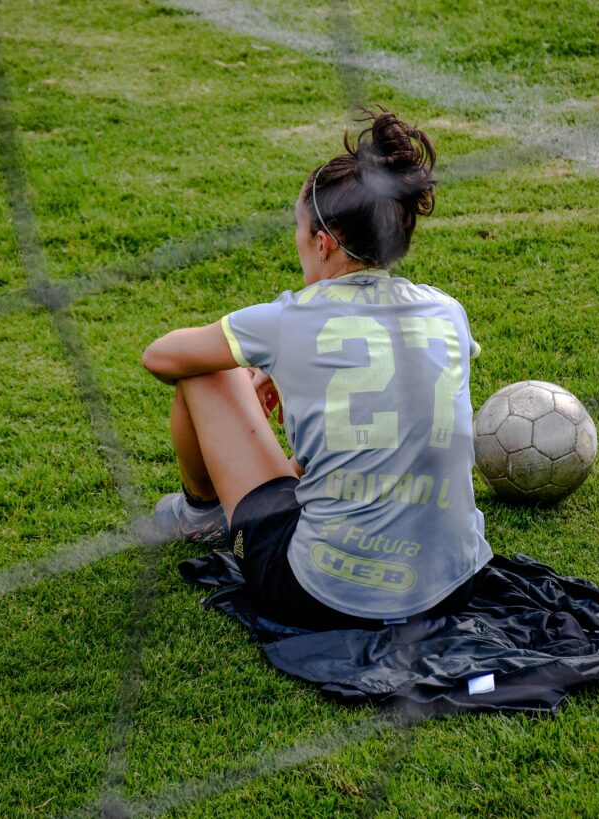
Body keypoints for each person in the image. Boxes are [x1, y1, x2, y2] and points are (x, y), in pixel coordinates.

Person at [141, 108, 492, 630]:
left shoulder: (292, 318)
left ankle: (198, 516)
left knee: (205, 371)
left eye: (301, 232)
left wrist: (252, 368)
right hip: (453, 586)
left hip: (323, 593)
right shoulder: (447, 310)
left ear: (323, 242)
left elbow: (161, 356)